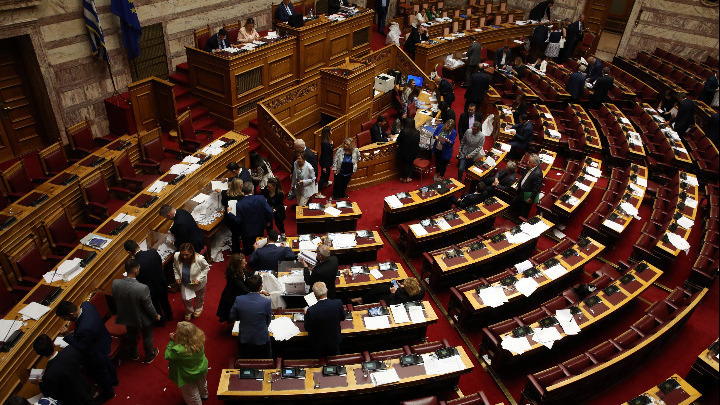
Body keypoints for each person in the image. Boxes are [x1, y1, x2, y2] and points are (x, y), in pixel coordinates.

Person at [55, 300, 117, 402]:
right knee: (108, 363)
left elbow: (83, 348)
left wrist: (67, 336)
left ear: (71, 314)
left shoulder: (85, 328)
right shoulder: (86, 305)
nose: (65, 320)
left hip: (95, 352)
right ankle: (114, 381)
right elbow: (85, 326)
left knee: (101, 374)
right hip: (103, 340)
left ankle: (109, 393)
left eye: (64, 318)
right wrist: (77, 333)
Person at [112, 259, 161, 363]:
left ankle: (133, 353)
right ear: (135, 270)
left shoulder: (115, 283)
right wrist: (155, 316)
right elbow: (148, 306)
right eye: (138, 268)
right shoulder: (142, 288)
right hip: (142, 318)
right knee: (147, 336)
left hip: (127, 315)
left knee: (132, 335)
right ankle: (149, 356)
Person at [31, 334, 94, 405]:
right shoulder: (71, 350)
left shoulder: (48, 376)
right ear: (53, 344)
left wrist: (40, 383)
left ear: (40, 354)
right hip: (86, 390)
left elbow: (50, 397)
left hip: (73, 401)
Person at [124, 239, 173, 323]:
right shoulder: (153, 252)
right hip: (161, 282)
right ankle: (169, 316)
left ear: (129, 252)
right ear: (138, 244)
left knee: (155, 305)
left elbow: (137, 278)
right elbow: (159, 264)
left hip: (149, 289)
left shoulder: (134, 264)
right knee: (165, 301)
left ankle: (161, 321)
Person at [165, 322, 209, 405]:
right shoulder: (200, 339)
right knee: (202, 384)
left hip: (187, 374)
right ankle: (204, 395)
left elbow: (167, 355)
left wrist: (171, 342)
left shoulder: (178, 350)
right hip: (201, 367)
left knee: (191, 393)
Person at [229, 274, 272, 358]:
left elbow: (232, 316)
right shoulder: (266, 302)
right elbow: (268, 321)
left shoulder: (239, 299)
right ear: (260, 287)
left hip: (244, 338)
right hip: (261, 339)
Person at [227, 182, 273, 255]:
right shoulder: (261, 198)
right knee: (259, 245)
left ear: (242, 190)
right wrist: (269, 222)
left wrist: (229, 213)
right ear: (252, 190)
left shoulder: (239, 204)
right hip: (259, 228)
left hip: (247, 231)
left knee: (248, 250)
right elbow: (270, 211)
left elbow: (238, 220)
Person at [304, 282, 346, 357]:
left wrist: (305, 314)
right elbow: (343, 317)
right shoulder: (338, 303)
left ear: (314, 294)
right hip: (334, 339)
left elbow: (307, 328)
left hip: (318, 343)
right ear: (327, 290)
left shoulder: (310, 310)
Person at [452, 161, 517, 208]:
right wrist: (496, 179)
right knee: (482, 179)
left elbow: (506, 188)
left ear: (509, 169)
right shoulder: (506, 169)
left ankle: (477, 192)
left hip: (497, 189)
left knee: (486, 189)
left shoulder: (511, 179)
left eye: (506, 168)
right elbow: (498, 173)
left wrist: (496, 185)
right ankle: (476, 188)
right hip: (495, 181)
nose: (505, 168)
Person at [173, 243, 211, 321]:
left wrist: (199, 279)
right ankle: (189, 310)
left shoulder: (199, 259)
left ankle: (198, 308)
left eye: (187, 255)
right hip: (185, 282)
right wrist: (177, 277)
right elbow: (175, 267)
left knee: (199, 297)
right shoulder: (176, 256)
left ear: (192, 252)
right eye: (182, 254)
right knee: (185, 298)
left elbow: (206, 268)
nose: (184, 257)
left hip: (197, 282)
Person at [216, 254, 250, 323]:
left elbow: (247, 274)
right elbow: (244, 289)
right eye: (243, 263)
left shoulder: (240, 269)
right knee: (232, 314)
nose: (246, 263)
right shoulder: (233, 276)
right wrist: (258, 291)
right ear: (237, 265)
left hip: (236, 294)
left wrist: (258, 273)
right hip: (231, 297)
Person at [351, 277, 424, 305]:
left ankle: (363, 300)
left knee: (378, 294)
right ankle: (362, 299)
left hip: (393, 299)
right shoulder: (422, 290)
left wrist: (393, 293)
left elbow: (392, 303)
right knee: (380, 288)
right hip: (399, 293)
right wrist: (401, 287)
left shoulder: (401, 294)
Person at [512, 153, 543, 218]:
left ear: (535, 164)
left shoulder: (538, 174)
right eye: (528, 161)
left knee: (524, 209)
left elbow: (536, 188)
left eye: (529, 162)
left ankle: (521, 220)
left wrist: (531, 198)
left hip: (528, 194)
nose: (527, 162)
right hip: (521, 190)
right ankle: (515, 215)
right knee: (516, 203)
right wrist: (518, 184)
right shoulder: (529, 167)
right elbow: (523, 177)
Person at [397, 117, 420, 183]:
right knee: (410, 164)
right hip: (413, 151)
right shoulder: (417, 132)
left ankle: (404, 178)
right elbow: (418, 141)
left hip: (404, 151)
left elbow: (398, 141)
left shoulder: (403, 132)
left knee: (404, 164)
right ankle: (408, 177)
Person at [318, 126, 334, 191]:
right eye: (331, 130)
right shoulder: (325, 143)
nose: (331, 132)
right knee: (323, 177)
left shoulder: (327, 141)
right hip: (325, 162)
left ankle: (326, 183)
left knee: (328, 173)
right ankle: (317, 191)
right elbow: (325, 155)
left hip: (327, 161)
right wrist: (324, 167)